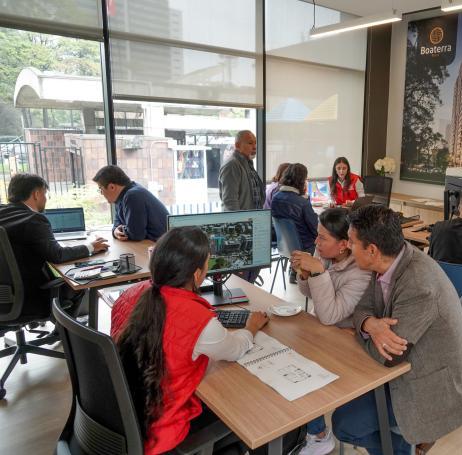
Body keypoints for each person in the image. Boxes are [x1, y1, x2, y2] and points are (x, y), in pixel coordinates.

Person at [331, 205, 462, 455]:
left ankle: (404, 449)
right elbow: (362, 309)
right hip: (410, 366)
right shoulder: (389, 260)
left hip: (435, 386)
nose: (347, 245)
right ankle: (406, 447)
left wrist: (364, 331)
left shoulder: (418, 284)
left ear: (372, 250)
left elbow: (387, 357)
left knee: (344, 424)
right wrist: (370, 325)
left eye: (351, 241)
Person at [111, 226, 269, 454]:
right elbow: (235, 350)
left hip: (131, 414)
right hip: (162, 431)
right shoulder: (198, 320)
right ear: (197, 274)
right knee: (245, 404)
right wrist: (250, 327)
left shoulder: (131, 294)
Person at [290, 208, 372, 455]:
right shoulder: (324, 253)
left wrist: (318, 271)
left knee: (301, 369)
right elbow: (307, 293)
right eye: (317, 235)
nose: (316, 242)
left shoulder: (361, 272)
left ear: (344, 245)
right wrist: (305, 274)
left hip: (348, 339)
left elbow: (329, 315)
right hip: (325, 332)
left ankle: (319, 435)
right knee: (289, 356)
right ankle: (304, 428)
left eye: (323, 238)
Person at [0, 174, 108, 319]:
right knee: (78, 285)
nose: (46, 199)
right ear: (36, 194)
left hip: (6, 297)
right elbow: (58, 255)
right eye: (45, 194)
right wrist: (91, 247)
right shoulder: (34, 219)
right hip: (29, 298)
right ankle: (64, 335)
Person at [93, 165, 169, 242]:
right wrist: (115, 231)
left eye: (100, 189)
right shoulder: (120, 197)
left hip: (162, 247)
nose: (101, 193)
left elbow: (136, 234)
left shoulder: (133, 196)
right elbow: (117, 223)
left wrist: (121, 230)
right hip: (150, 244)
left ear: (112, 187)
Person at [271, 163, 318, 283]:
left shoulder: (275, 198)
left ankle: (294, 272)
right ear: (301, 181)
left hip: (283, 246)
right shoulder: (302, 202)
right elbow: (315, 229)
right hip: (304, 247)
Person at [219, 130, 265, 211]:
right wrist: (239, 222)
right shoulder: (232, 165)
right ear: (237, 145)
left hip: (253, 219)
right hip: (242, 222)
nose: (254, 147)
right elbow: (230, 202)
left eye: (255, 143)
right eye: (250, 143)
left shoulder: (248, 163)